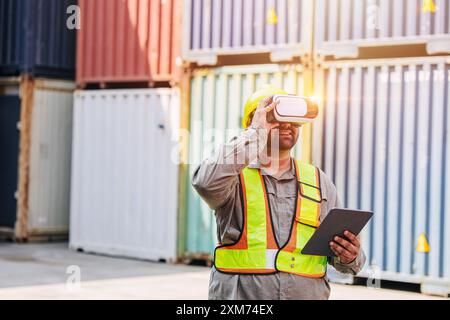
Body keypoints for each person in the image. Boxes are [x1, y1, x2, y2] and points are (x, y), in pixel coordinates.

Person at [192, 85, 366, 300]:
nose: (286, 124)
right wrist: (255, 134)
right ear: (253, 122)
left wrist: (350, 256)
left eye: (293, 119)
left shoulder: (318, 180)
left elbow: (346, 262)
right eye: (275, 116)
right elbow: (205, 183)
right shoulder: (233, 175)